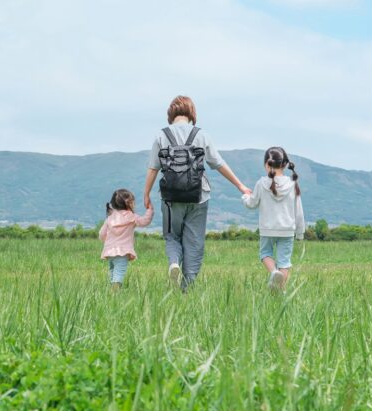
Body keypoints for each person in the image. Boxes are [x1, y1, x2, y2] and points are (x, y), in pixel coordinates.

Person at [143, 95, 251, 290]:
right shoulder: (201, 135)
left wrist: (146, 194)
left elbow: (153, 168)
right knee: (194, 242)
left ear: (171, 114)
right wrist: (240, 185)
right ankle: (187, 288)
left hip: (170, 199)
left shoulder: (161, 136)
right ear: (191, 113)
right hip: (199, 196)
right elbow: (218, 163)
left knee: (172, 236)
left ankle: (174, 263)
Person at [242, 146, 306, 292]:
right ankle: (281, 291)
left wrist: (245, 197)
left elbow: (252, 204)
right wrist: (300, 232)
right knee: (284, 262)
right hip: (287, 231)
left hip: (267, 229)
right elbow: (299, 211)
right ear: (284, 164)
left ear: (267, 164)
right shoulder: (292, 184)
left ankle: (273, 273)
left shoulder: (261, 183)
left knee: (265, 254)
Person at [99, 188, 154, 291]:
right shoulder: (131, 217)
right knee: (119, 273)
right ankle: (115, 292)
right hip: (123, 252)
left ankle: (111, 291)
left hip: (109, 251)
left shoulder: (110, 218)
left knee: (112, 271)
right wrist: (149, 210)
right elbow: (144, 221)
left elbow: (101, 234)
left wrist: (108, 242)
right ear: (129, 204)